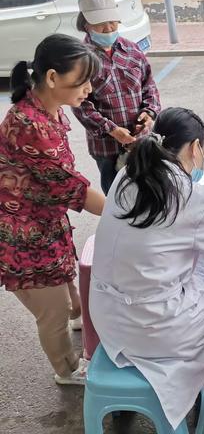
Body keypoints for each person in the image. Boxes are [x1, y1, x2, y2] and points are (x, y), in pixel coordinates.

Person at [89, 107, 204, 430]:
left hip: (109, 320)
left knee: (201, 251)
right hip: (158, 332)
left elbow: (167, 219)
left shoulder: (126, 176)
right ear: (196, 148)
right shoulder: (194, 195)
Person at [0, 34, 105, 385]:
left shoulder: (50, 108)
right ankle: (68, 369)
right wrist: (129, 213)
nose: (89, 88)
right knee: (52, 311)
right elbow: (71, 185)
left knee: (68, 284)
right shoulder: (28, 124)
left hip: (45, 224)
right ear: (52, 78)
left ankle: (78, 319)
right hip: (21, 238)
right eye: (83, 79)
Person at [72, 0, 161, 195]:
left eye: (112, 22)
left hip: (141, 142)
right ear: (86, 24)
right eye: (101, 24)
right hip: (106, 148)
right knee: (116, 196)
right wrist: (111, 130)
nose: (109, 28)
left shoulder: (132, 49)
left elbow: (149, 85)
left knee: (148, 193)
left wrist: (149, 113)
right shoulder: (79, 58)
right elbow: (80, 105)